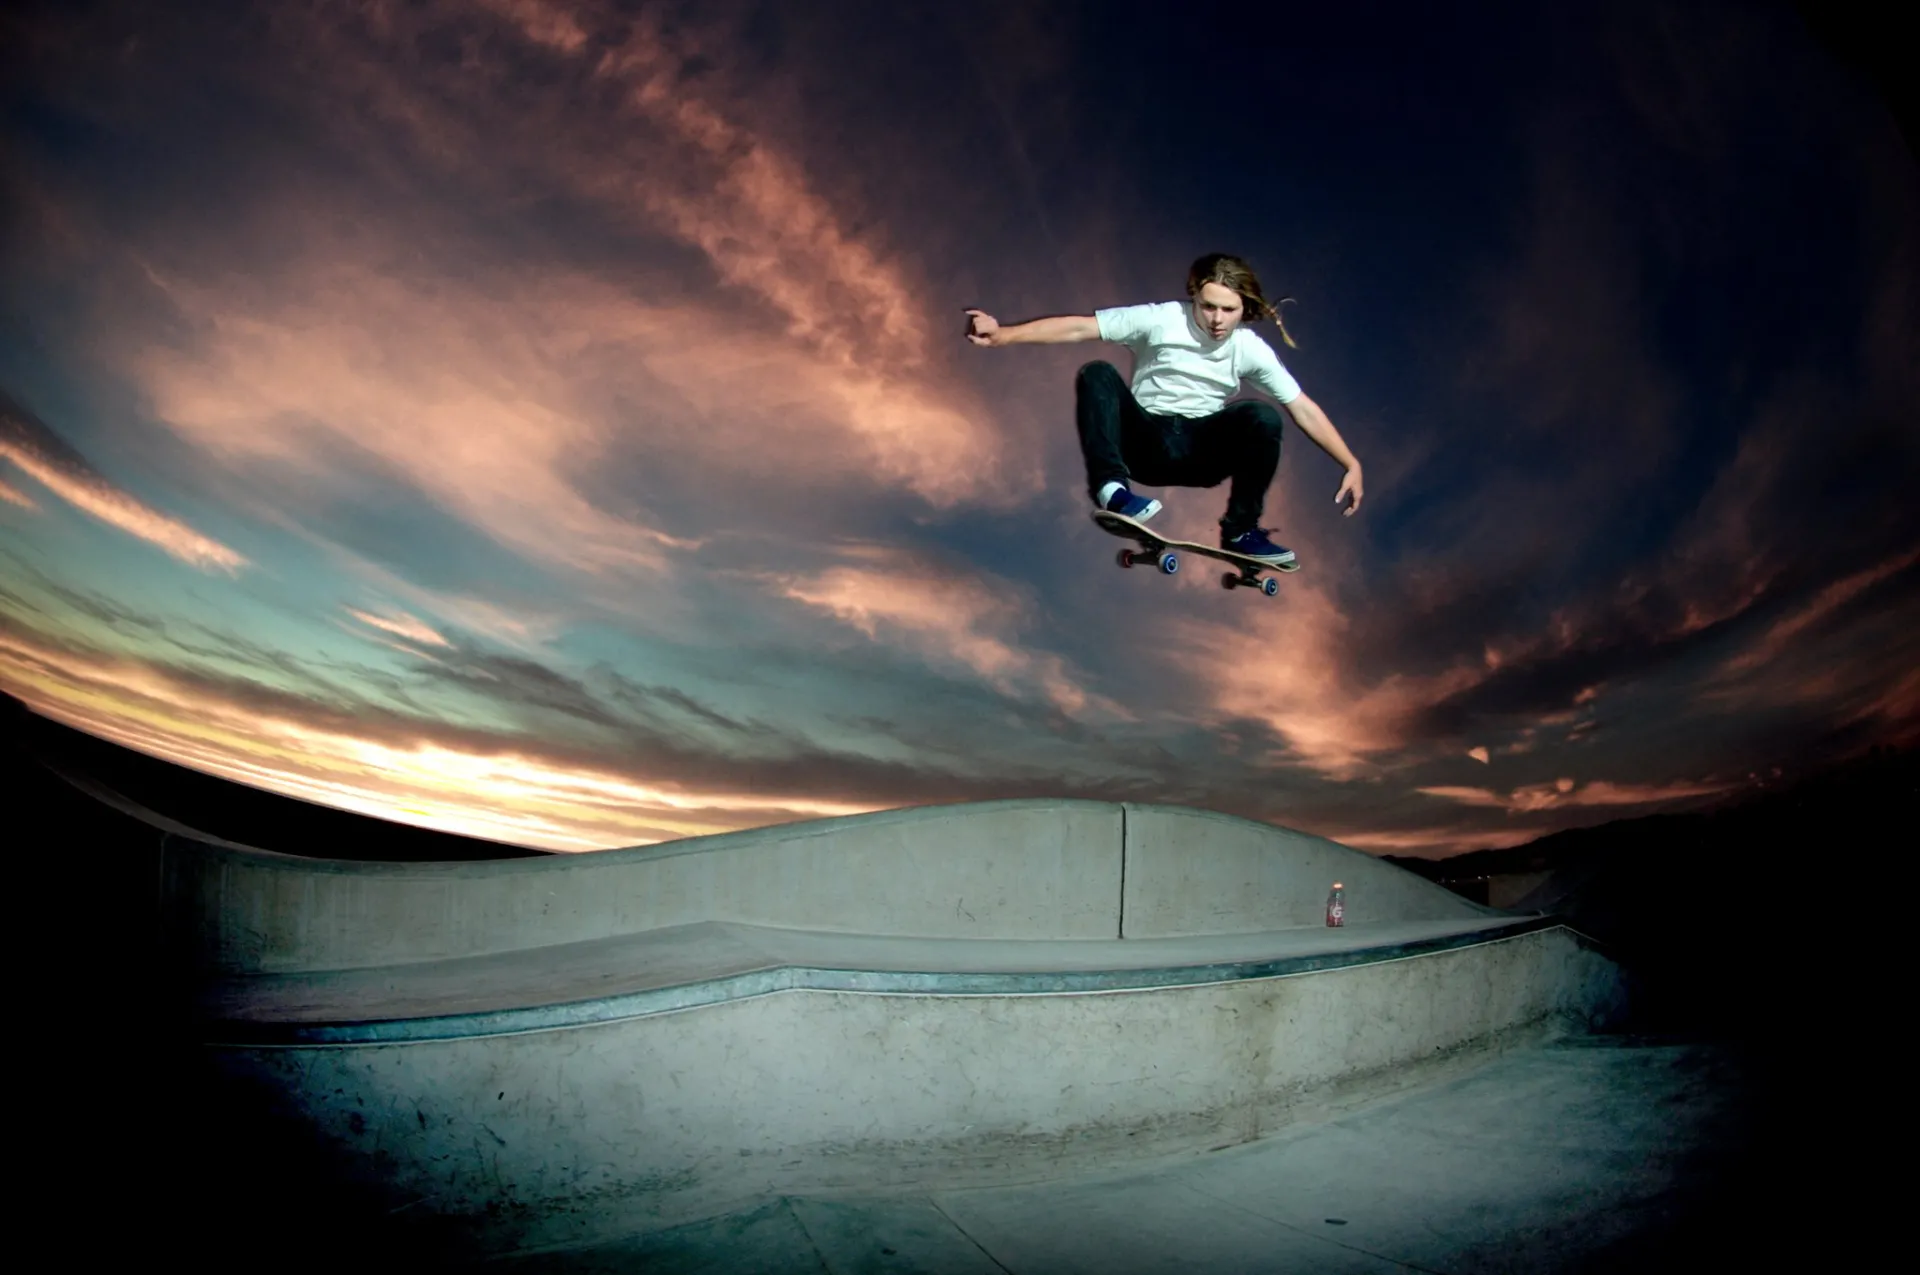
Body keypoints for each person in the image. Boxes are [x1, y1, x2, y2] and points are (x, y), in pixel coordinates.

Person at [964, 253, 1363, 567]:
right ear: (1194, 295)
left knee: (1263, 416)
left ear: (1245, 307)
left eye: (1229, 310)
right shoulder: (1159, 319)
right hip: (1145, 442)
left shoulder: (1250, 349)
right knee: (1097, 373)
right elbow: (1080, 327)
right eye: (1208, 307)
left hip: (1201, 454)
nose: (1217, 320)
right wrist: (1002, 336)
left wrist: (1350, 463)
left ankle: (1241, 531)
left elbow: (1302, 407)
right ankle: (1112, 491)